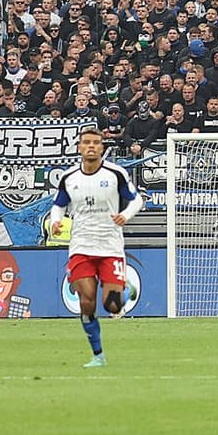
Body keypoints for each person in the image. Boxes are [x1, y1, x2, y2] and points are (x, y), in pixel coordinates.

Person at [45, 130, 143, 367]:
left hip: (110, 246)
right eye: (86, 142)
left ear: (102, 148)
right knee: (87, 302)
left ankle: (121, 288)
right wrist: (56, 221)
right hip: (81, 246)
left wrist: (125, 215)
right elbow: (58, 205)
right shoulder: (69, 177)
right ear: (79, 147)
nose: (91, 146)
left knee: (112, 305)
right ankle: (98, 355)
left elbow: (137, 199)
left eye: (96, 143)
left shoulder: (114, 174)